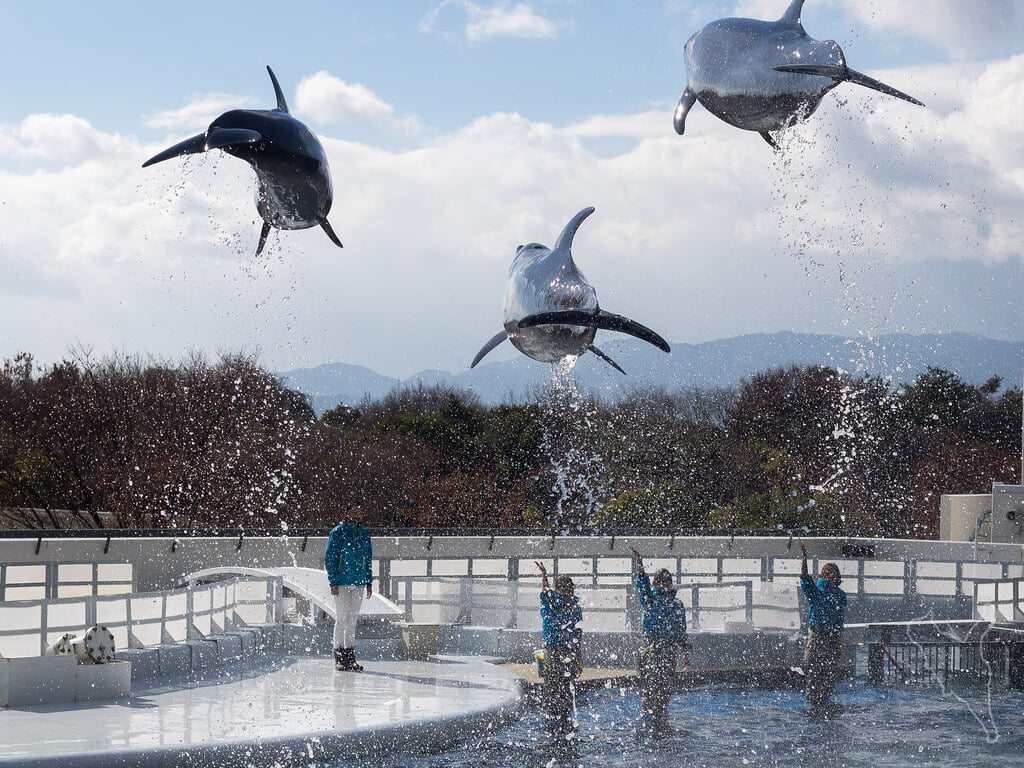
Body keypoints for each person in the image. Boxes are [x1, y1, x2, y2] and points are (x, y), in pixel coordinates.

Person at [630, 548, 689, 723]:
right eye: (659, 581)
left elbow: (681, 630)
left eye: (666, 581)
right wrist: (640, 565)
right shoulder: (650, 600)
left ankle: (661, 712)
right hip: (652, 646)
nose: (663, 584)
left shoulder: (677, 604)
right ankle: (649, 715)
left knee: (666, 684)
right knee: (651, 682)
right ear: (655, 583)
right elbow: (642, 585)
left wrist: (684, 653)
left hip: (669, 648)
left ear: (670, 583)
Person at [798, 539, 847, 712]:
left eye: (835, 573)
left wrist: (839, 640)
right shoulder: (816, 591)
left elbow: (839, 620)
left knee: (829, 676)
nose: (833, 576)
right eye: (829, 573)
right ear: (823, 576)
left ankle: (824, 704)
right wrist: (805, 558)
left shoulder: (840, 595)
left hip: (832, 638)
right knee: (814, 674)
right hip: (817, 636)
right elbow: (804, 578)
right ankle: (812, 706)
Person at [536, 560, 582, 728]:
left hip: (569, 651)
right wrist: (544, 576)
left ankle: (563, 716)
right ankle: (550, 716)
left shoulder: (575, 608)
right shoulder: (552, 603)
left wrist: (578, 659)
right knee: (553, 684)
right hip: (553, 649)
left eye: (571, 589)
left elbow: (578, 635)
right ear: (559, 589)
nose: (569, 592)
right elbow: (545, 592)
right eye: (566, 588)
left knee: (567, 685)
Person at [324, 520, 373, 672]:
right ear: (347, 513)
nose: (357, 514)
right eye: (353, 510)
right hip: (343, 583)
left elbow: (368, 559)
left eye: (359, 511)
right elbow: (330, 557)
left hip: (359, 583)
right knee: (342, 619)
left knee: (352, 621)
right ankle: (339, 658)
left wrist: (368, 581)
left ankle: (350, 660)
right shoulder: (338, 532)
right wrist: (333, 581)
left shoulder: (364, 534)